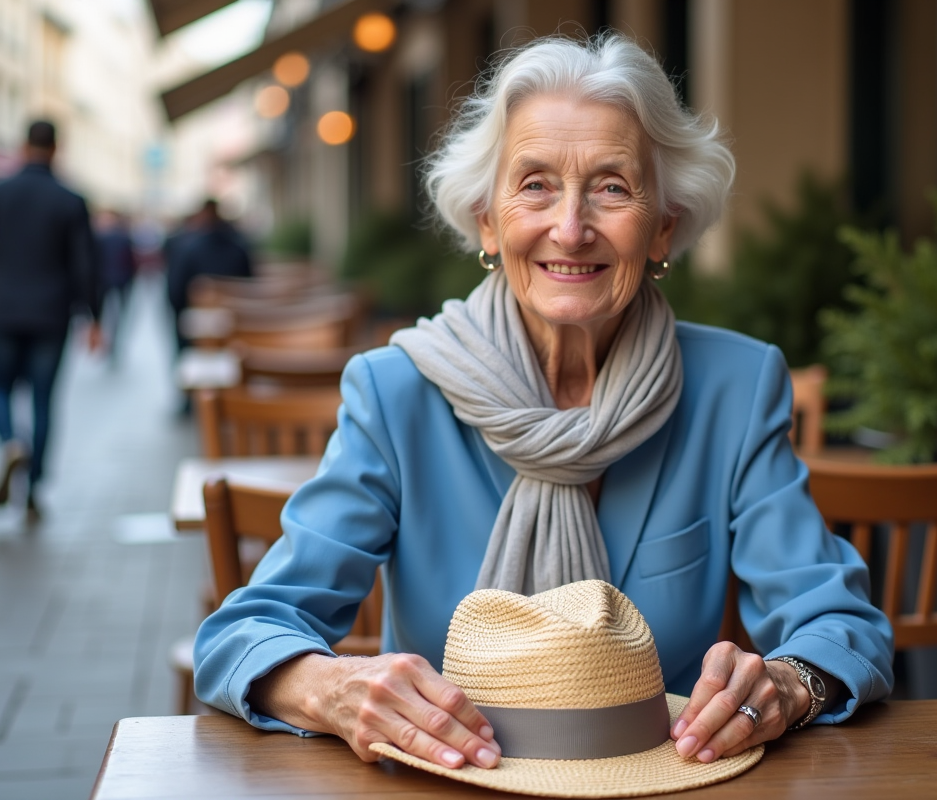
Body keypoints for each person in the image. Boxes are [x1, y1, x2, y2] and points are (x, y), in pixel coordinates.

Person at [195, 34, 893, 773]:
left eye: (613, 187)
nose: (570, 227)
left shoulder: (735, 386)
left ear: (665, 226)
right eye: (534, 184)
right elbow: (246, 631)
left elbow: (840, 624)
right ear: (487, 221)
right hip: (451, 786)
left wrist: (788, 684)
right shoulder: (396, 392)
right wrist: (331, 686)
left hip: (658, 781)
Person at [0, 120, 102, 523]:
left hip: (4, 311)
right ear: (56, 149)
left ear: (23, 146)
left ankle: (9, 443)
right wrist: (95, 317)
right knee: (43, 400)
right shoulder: (71, 200)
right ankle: (34, 490)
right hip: (52, 315)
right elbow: (86, 265)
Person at [164, 198, 252, 355]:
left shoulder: (188, 247)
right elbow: (250, 283)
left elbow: (175, 292)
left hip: (199, 332)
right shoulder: (239, 247)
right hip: (237, 327)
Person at [94, 208, 137, 364]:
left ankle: (108, 341)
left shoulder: (99, 237)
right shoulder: (123, 237)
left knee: (106, 314)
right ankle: (112, 342)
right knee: (117, 314)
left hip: (105, 280)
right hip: (120, 280)